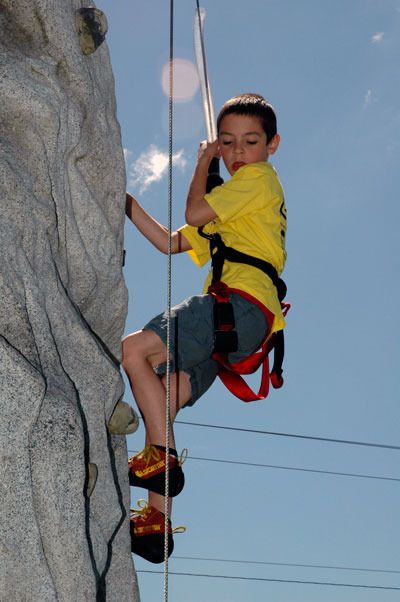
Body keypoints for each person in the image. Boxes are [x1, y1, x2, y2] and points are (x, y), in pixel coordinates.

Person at [123, 93, 287, 563]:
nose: (238, 153)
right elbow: (172, 241)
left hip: (236, 305)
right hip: (242, 329)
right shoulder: (235, 207)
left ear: (272, 145)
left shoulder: (258, 180)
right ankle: (157, 520)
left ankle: (162, 463)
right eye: (228, 143)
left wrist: (202, 165)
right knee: (164, 396)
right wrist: (125, 201)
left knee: (134, 351)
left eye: (250, 142)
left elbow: (196, 212)